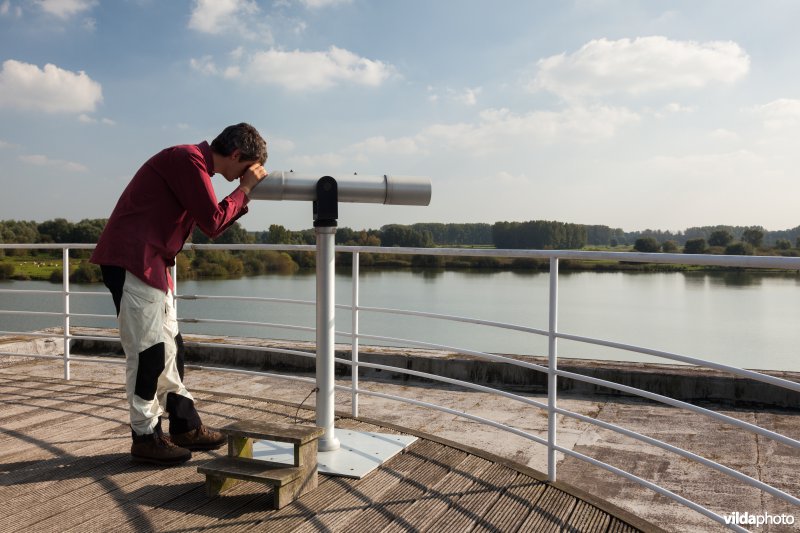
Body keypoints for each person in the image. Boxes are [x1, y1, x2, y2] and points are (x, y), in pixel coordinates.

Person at [91, 123, 268, 466]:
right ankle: (145, 436)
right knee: (148, 353)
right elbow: (213, 222)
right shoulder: (187, 160)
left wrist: (244, 187)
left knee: (171, 347)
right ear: (236, 155)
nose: (241, 177)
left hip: (153, 264)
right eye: (246, 168)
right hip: (134, 260)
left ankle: (185, 424)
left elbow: (208, 220)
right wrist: (245, 190)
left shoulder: (190, 163)